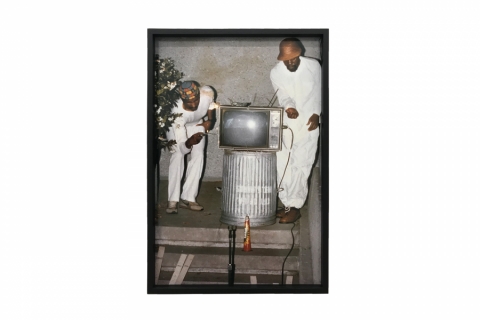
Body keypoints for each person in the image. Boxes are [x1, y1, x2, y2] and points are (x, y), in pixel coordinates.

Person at [270, 38, 321, 224]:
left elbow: (320, 91)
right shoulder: (276, 72)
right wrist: (289, 106)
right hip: (289, 121)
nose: (290, 62)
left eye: (294, 58)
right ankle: (286, 203)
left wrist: (316, 113)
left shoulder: (313, 66)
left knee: (302, 163)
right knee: (283, 162)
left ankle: (296, 206)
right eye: (287, 60)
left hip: (309, 122)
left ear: (300, 53)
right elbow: (282, 94)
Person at [165, 81, 215, 214]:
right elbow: (182, 147)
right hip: (177, 127)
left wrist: (210, 120)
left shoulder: (207, 93)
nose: (193, 105)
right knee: (178, 156)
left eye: (196, 100)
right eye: (189, 103)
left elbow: (210, 105)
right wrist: (190, 142)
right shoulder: (176, 111)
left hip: (196, 124)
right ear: (182, 100)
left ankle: (189, 197)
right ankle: (173, 200)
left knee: (198, 156)